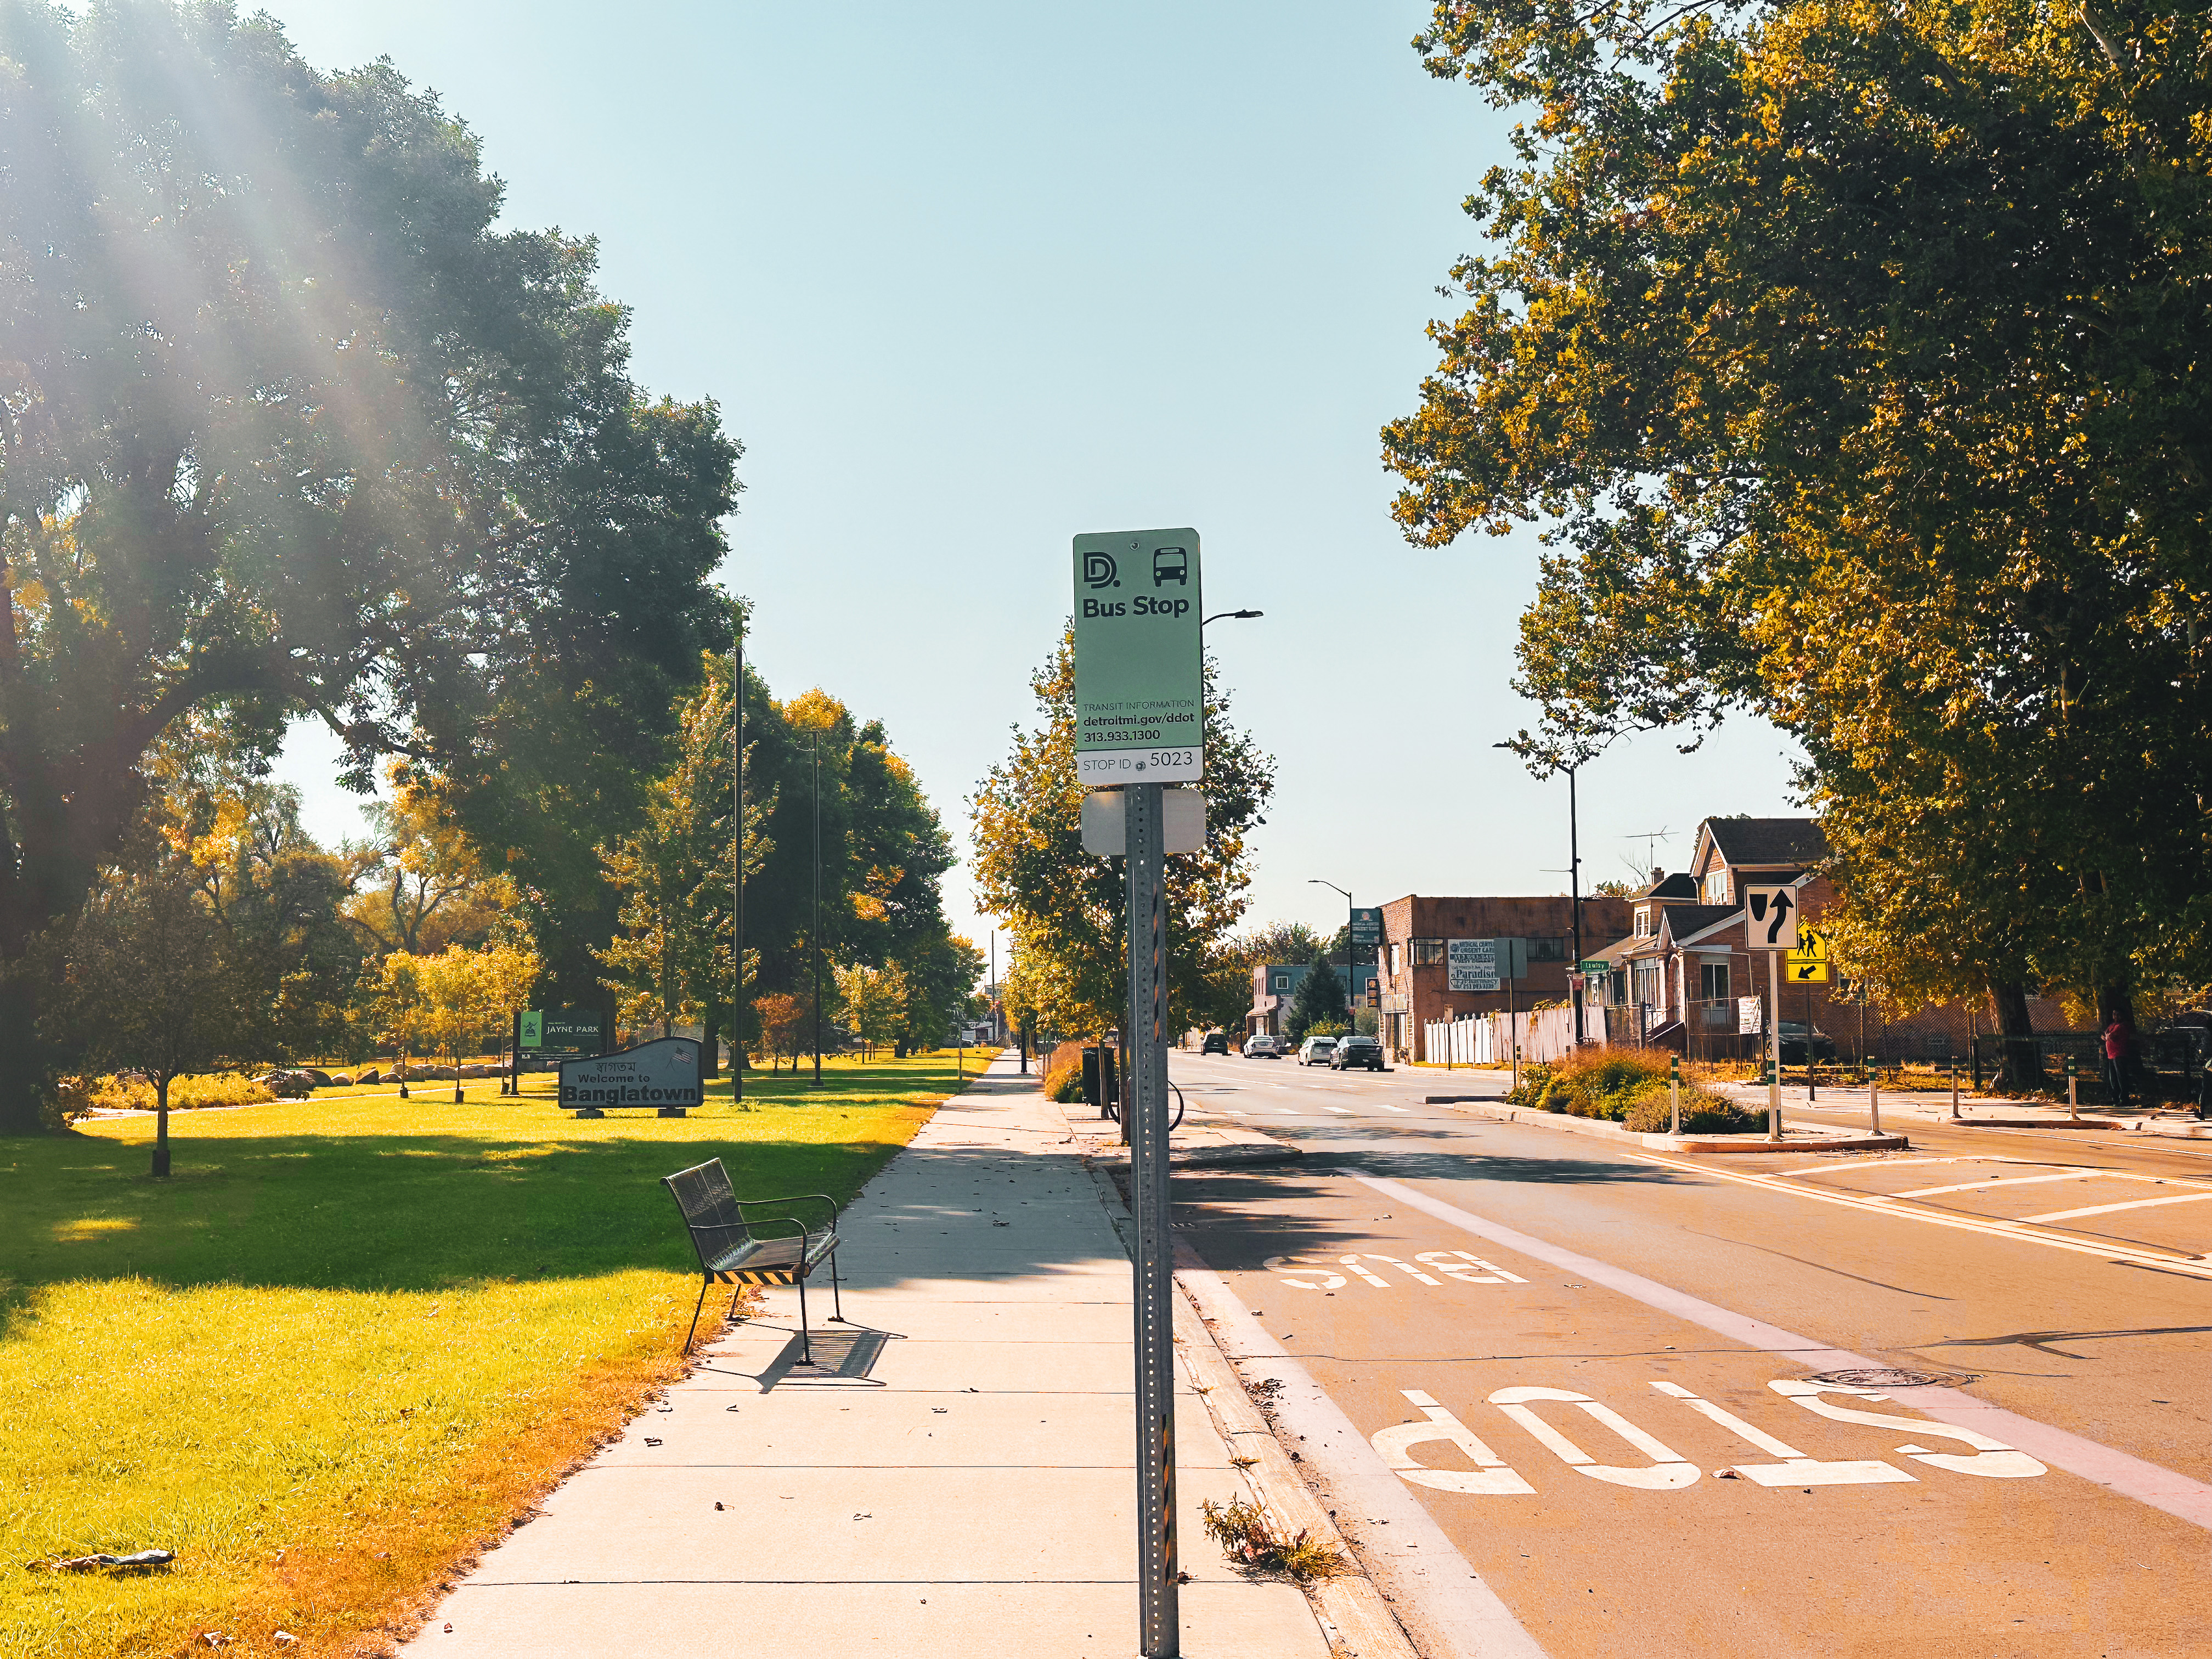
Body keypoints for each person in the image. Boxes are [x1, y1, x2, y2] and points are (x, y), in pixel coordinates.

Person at [2102, 1016, 2132, 1112]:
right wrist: (2106, 1037)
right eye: (2114, 1014)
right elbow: (2106, 1034)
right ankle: (2115, 1099)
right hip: (2110, 1055)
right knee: (2113, 1078)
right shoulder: (2112, 1025)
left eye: (2118, 1014)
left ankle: (2124, 1099)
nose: (2115, 1016)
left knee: (2121, 1077)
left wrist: (2108, 1037)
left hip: (2119, 1054)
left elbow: (2113, 1037)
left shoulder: (2122, 1026)